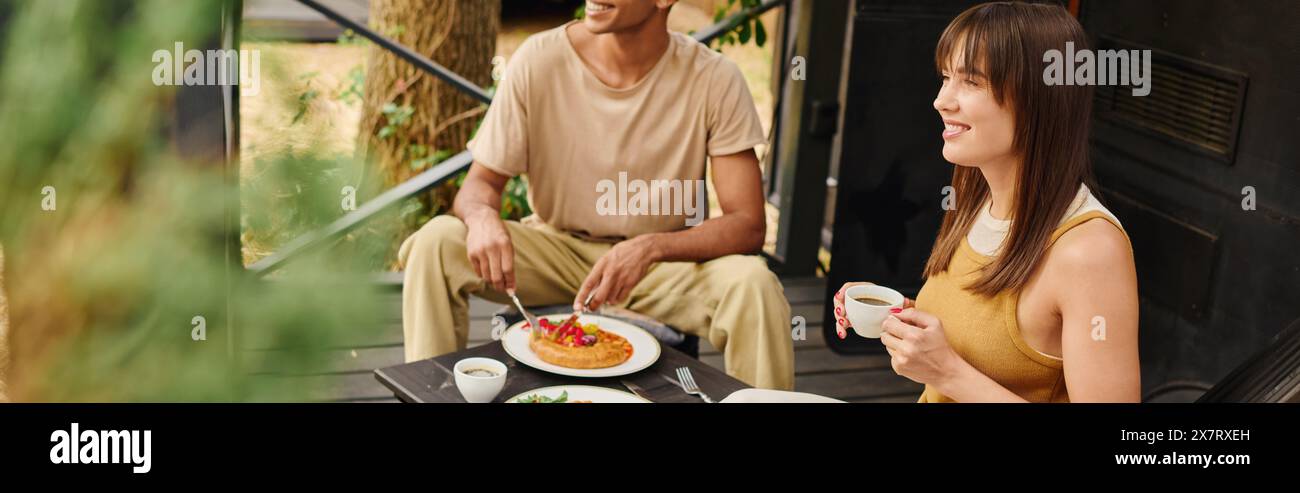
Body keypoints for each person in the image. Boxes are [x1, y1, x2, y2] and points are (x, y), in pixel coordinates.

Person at [398, 0, 795, 390]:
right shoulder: (539, 58)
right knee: (436, 243)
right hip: (558, 252)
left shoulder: (715, 77)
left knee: (753, 286)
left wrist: (651, 248)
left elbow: (747, 224)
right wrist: (483, 217)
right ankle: (427, 394)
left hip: (664, 268)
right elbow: (479, 186)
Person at [829, 2, 1140, 403]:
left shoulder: (1090, 252)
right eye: (945, 77)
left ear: (1039, 99)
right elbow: (993, 339)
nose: (942, 100)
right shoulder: (977, 197)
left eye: (971, 82)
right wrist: (894, 314)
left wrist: (948, 372)